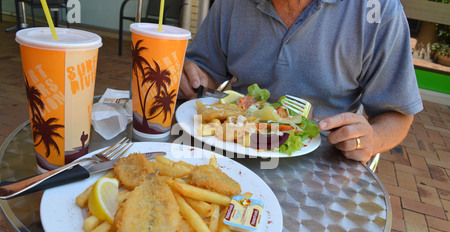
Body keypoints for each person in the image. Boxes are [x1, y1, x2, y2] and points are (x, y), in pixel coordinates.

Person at [179, 0, 423, 163]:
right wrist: (193, 78)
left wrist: (372, 139)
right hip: (232, 149)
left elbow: (397, 113)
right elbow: (205, 73)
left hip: (323, 165)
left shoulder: (379, 10)